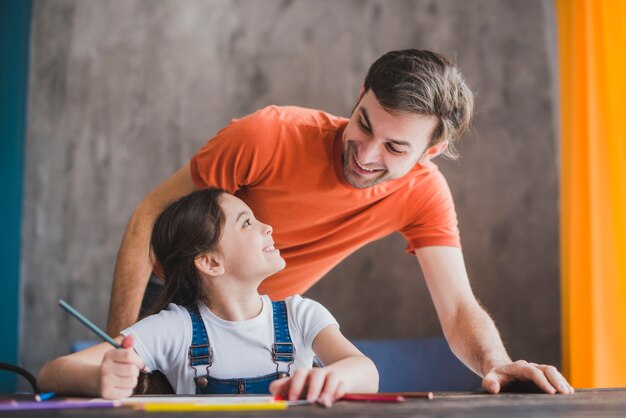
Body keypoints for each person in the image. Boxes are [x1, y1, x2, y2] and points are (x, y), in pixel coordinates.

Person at [106, 49, 573, 394]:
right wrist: (120, 350)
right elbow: (149, 218)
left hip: (271, 322)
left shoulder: (424, 194)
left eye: (395, 148)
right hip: (176, 298)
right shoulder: (267, 136)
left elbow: (456, 308)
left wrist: (497, 362)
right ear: (359, 97)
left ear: (429, 153)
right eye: (364, 123)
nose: (366, 155)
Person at [39, 189, 378, 405]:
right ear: (211, 262)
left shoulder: (301, 315)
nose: (267, 227)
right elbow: (53, 373)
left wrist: (332, 378)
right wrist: (101, 377)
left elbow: (366, 372)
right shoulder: (175, 328)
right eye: (247, 223)